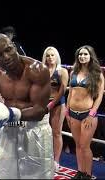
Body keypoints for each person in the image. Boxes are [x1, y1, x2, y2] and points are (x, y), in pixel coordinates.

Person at [0, 33, 53, 179]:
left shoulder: (37, 70)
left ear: (14, 46)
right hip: (9, 130)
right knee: (6, 175)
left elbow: (39, 110)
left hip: (34, 129)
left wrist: (11, 114)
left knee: (37, 176)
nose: (6, 57)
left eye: (8, 50)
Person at [66, 45, 104, 179]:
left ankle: (88, 174)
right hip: (72, 113)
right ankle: (80, 171)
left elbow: (99, 96)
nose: (82, 56)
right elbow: (70, 93)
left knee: (84, 146)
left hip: (87, 114)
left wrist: (91, 114)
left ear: (90, 56)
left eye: (85, 54)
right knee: (77, 145)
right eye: (80, 54)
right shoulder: (73, 73)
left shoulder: (97, 74)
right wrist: (67, 113)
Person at [42, 46, 69, 170]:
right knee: (43, 132)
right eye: (48, 55)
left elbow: (63, 90)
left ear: (56, 56)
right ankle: (45, 157)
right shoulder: (42, 70)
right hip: (43, 103)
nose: (50, 57)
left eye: (52, 55)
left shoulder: (62, 71)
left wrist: (52, 104)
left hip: (57, 104)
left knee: (56, 133)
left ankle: (56, 161)